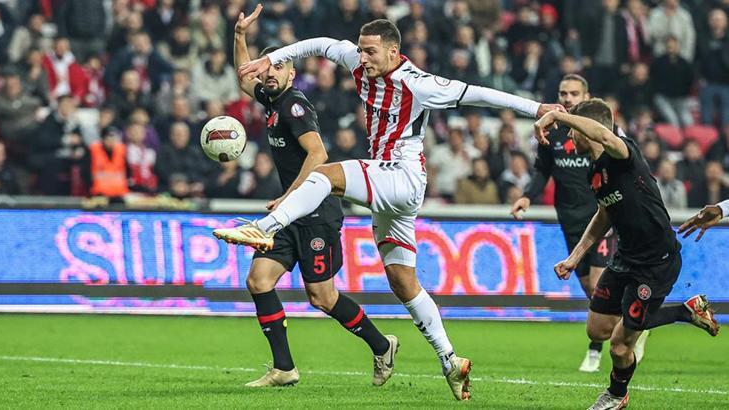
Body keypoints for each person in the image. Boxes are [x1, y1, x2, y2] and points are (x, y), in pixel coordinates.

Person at [216, 15, 562, 401]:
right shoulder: (357, 64)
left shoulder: (418, 83)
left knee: (325, 175)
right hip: (387, 187)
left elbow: (479, 93)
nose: (362, 57)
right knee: (402, 282)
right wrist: (273, 55)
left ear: (394, 51)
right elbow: (320, 43)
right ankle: (450, 360)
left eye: (370, 51)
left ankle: (265, 227)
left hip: (403, 176)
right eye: (361, 50)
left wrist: (536, 109)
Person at [229, 6, 396, 388]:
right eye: (267, 68)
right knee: (259, 280)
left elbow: (318, 154)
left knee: (322, 297)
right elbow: (242, 80)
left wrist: (289, 197)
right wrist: (240, 37)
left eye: (278, 67)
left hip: (316, 211)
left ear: (291, 72)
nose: (270, 74)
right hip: (290, 213)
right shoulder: (272, 101)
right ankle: (284, 369)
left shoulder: (293, 105)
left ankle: (382, 344)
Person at [534, 99, 719, 409]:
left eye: (572, 132)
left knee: (620, 347)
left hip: (655, 262)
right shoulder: (596, 171)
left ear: (589, 131)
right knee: (597, 328)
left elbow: (606, 136)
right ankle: (675, 312)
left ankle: (616, 396)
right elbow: (604, 214)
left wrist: (556, 115)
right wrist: (575, 257)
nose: (569, 139)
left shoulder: (622, 153)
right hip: (625, 259)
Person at [510, 74, 646, 373]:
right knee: (588, 287)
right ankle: (630, 321)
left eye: (574, 93)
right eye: (563, 93)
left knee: (598, 283)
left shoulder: (605, 131)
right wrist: (527, 196)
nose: (568, 98)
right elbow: (542, 169)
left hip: (603, 214)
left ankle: (598, 349)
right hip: (569, 217)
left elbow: (627, 163)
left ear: (587, 96)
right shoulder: (554, 131)